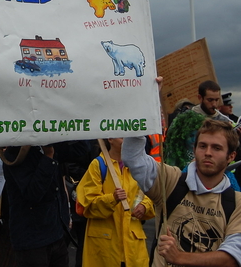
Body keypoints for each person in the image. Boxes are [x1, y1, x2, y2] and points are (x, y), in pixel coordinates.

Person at [123, 86, 241, 265]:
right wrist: (145, 100)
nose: (208, 152)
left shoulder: (237, 202)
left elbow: (232, 258)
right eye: (202, 146)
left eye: (216, 148)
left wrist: (179, 257)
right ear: (194, 150)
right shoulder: (171, 180)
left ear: (231, 156)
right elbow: (133, 158)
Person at [2, 142, 88, 267]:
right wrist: (48, 156)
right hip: (32, 239)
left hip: (56, 233)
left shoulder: (51, 145)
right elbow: (33, 193)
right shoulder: (14, 154)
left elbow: (81, 148)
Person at [77, 138, 155, 267]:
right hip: (104, 247)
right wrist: (112, 199)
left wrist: (144, 206)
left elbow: (152, 194)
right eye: (122, 136)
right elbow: (87, 204)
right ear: (110, 139)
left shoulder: (138, 166)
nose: (126, 139)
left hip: (132, 246)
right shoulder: (98, 165)